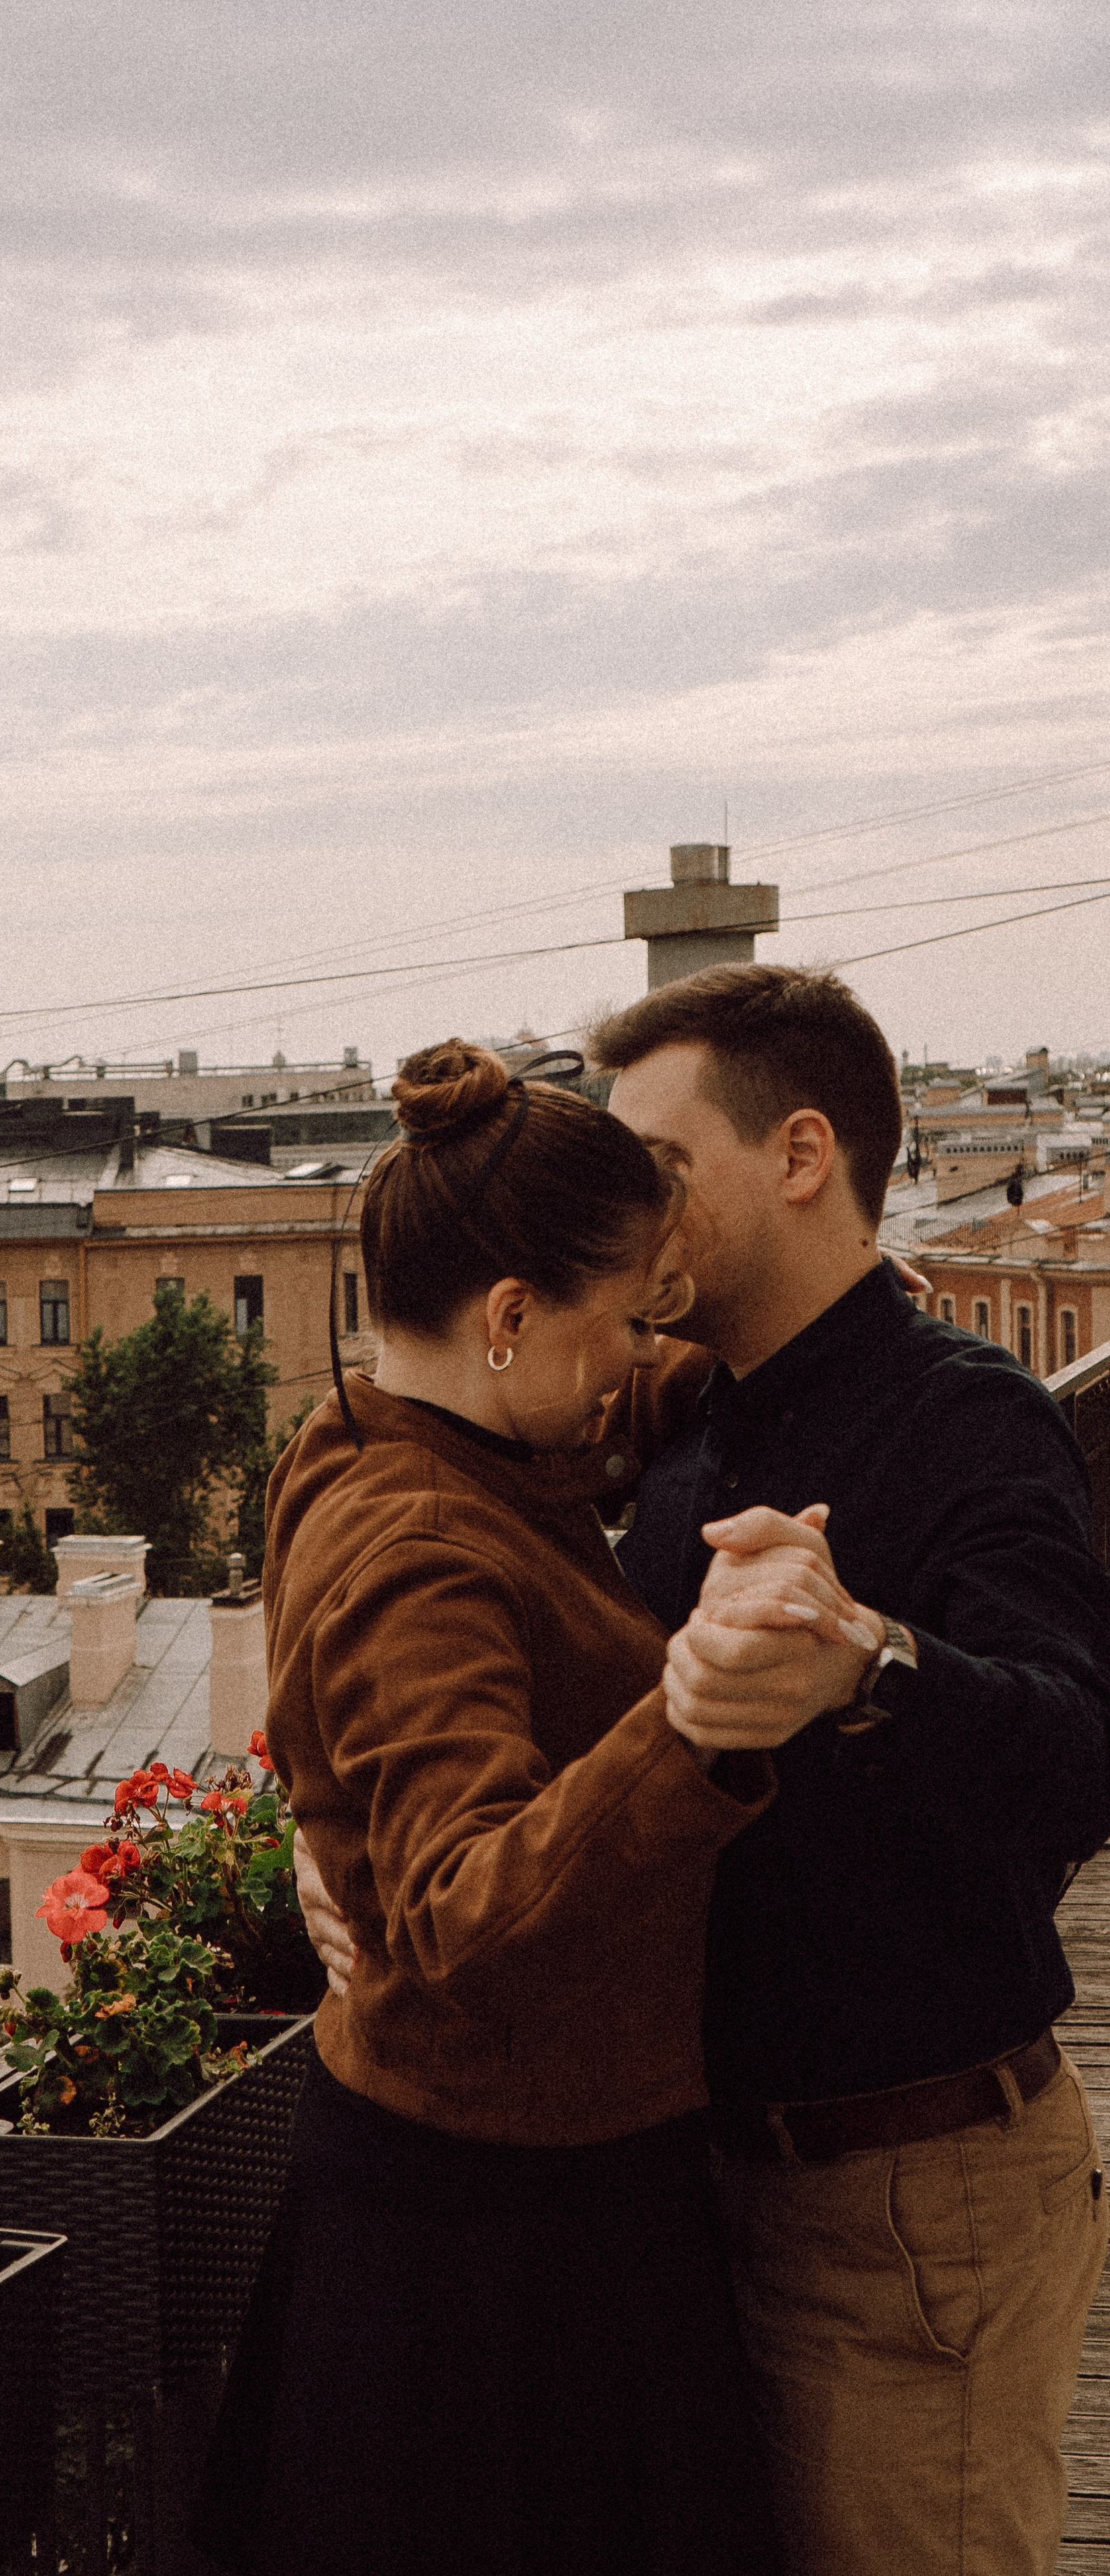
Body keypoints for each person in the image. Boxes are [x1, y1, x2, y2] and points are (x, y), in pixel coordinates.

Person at [299, 965, 1110, 2576]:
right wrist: (328, 1826)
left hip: (897, 2201)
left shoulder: (969, 1426)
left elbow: (1080, 1762)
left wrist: (869, 1665)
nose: (623, 1211)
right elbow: (417, 1521)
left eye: (657, 1173)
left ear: (800, 1154)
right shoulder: (679, 1410)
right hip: (694, 2192)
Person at [229, 1038, 866, 2576]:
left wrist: (824, 1325)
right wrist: (692, 1720)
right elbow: (458, 1912)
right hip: (495, 2252)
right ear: (508, 1317)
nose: (634, 1357)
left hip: (501, 2200)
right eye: (617, 1320)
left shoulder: (386, 1434)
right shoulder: (413, 1552)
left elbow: (603, 1404)